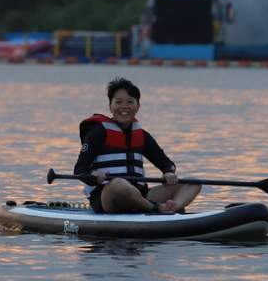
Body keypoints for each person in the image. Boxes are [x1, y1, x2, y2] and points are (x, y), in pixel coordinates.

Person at [73, 77, 200, 214]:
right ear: (110, 106)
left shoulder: (141, 135)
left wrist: (168, 172)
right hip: (108, 197)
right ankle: (156, 208)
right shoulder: (97, 133)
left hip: (140, 195)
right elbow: (80, 170)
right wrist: (93, 175)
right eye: (118, 102)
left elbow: (166, 163)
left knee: (193, 182)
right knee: (118, 184)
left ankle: (173, 207)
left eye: (130, 102)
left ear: (138, 106)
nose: (124, 107)